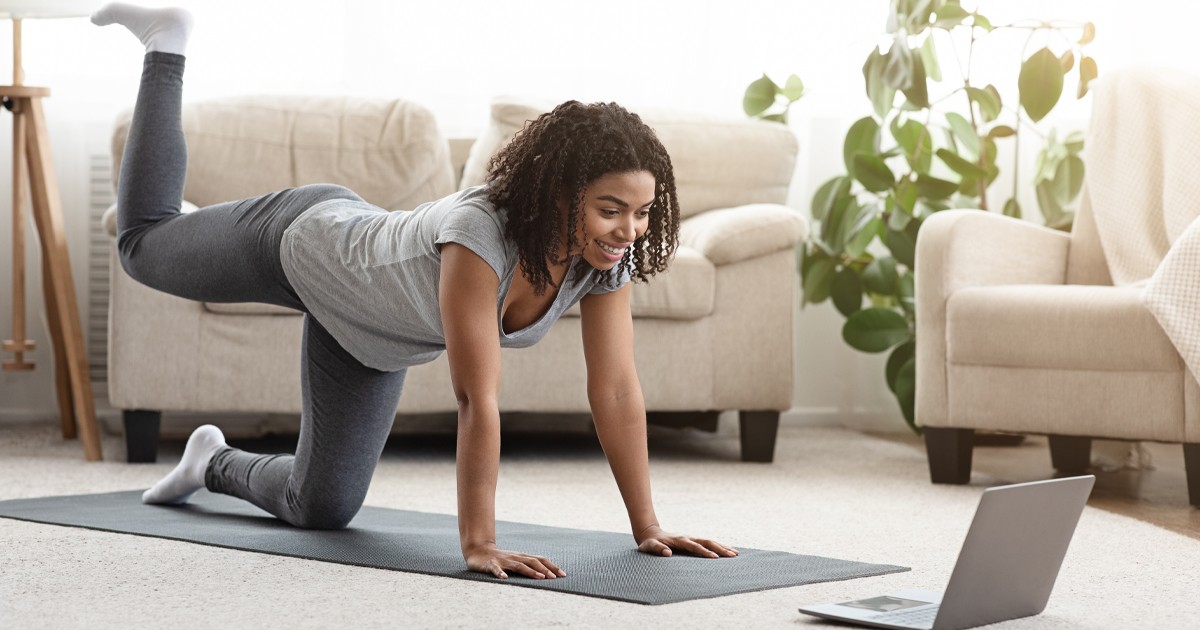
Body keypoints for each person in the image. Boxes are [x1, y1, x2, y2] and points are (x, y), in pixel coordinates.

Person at [91, 3, 739, 580]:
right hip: (303, 242)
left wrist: (647, 525)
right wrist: (480, 542)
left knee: (320, 508)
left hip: (366, 334)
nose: (629, 230)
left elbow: (618, 389)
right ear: (563, 194)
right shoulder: (478, 235)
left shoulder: (601, 261)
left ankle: (210, 461)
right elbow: (475, 397)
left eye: (643, 211)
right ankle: (165, 43)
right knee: (143, 247)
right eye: (610, 209)